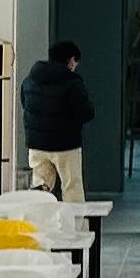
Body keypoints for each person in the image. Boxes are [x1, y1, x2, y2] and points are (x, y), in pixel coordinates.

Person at [18, 39, 94, 200]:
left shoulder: (30, 80)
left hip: (37, 144)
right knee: (71, 188)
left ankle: (39, 216)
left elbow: (25, 104)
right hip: (66, 145)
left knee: (40, 188)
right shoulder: (72, 83)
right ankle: (74, 218)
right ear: (71, 60)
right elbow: (85, 112)